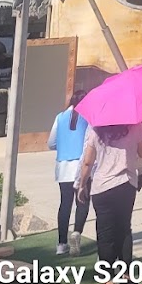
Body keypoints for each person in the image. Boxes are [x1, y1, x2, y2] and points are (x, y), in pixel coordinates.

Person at [78, 122, 142, 284]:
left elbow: (88, 161)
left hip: (102, 187)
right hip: (126, 183)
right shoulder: (135, 126)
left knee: (105, 235)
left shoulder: (96, 129)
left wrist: (81, 184)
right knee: (124, 230)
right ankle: (126, 277)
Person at [47, 90, 89, 256]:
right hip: (82, 165)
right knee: (82, 202)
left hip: (63, 166)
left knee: (65, 204)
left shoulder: (60, 117)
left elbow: (51, 143)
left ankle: (61, 243)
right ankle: (76, 232)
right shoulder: (88, 117)